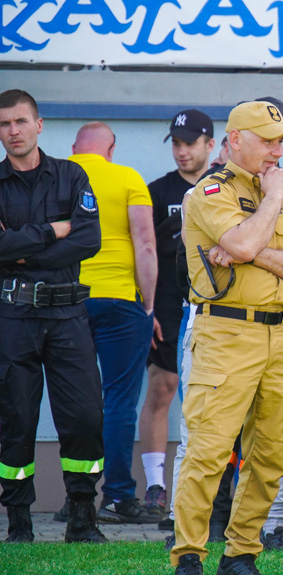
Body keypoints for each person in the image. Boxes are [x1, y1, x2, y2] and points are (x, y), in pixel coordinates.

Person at [171, 100, 283, 575]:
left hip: (278, 336)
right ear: (235, 140)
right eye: (267, 140)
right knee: (209, 449)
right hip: (224, 331)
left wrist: (248, 250)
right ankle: (189, 553)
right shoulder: (212, 190)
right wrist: (270, 205)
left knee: (270, 455)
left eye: (281, 142)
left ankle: (241, 553)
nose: (277, 151)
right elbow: (247, 242)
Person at [0, 89, 106, 543]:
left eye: (21, 121)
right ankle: (19, 523)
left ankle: (82, 517)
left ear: (39, 125)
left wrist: (23, 250)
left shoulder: (71, 175)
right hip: (14, 317)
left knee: (84, 415)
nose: (13, 131)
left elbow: (88, 240)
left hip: (67, 313)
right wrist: (49, 230)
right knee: (15, 418)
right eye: (4, 124)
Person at [68, 121, 161, 525]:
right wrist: (149, 305)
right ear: (112, 148)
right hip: (122, 302)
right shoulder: (127, 177)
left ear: (75, 147)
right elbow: (145, 243)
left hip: (68, 301)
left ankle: (77, 497)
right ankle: (119, 497)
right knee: (119, 401)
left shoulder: (60, 173)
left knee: (74, 402)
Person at [140, 108, 215, 518]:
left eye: (189, 143)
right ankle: (155, 485)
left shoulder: (222, 186)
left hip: (212, 301)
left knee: (208, 397)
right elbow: (145, 251)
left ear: (210, 144)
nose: (182, 152)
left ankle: (206, 487)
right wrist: (146, 306)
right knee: (163, 386)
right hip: (167, 300)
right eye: (176, 143)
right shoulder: (157, 191)